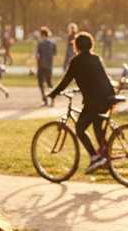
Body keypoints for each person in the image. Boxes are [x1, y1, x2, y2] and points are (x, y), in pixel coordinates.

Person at [47, 32, 117, 174]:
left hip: (94, 100)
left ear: (77, 46)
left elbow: (66, 80)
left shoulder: (76, 61)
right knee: (97, 126)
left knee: (79, 128)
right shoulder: (96, 58)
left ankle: (95, 157)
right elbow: (96, 78)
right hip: (108, 97)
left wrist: (54, 93)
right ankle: (105, 160)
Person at [35, 26, 56, 106]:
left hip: (41, 65)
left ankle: (45, 99)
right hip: (49, 66)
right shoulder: (52, 43)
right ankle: (52, 98)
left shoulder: (40, 44)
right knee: (49, 83)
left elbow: (38, 55)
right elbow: (54, 53)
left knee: (41, 83)